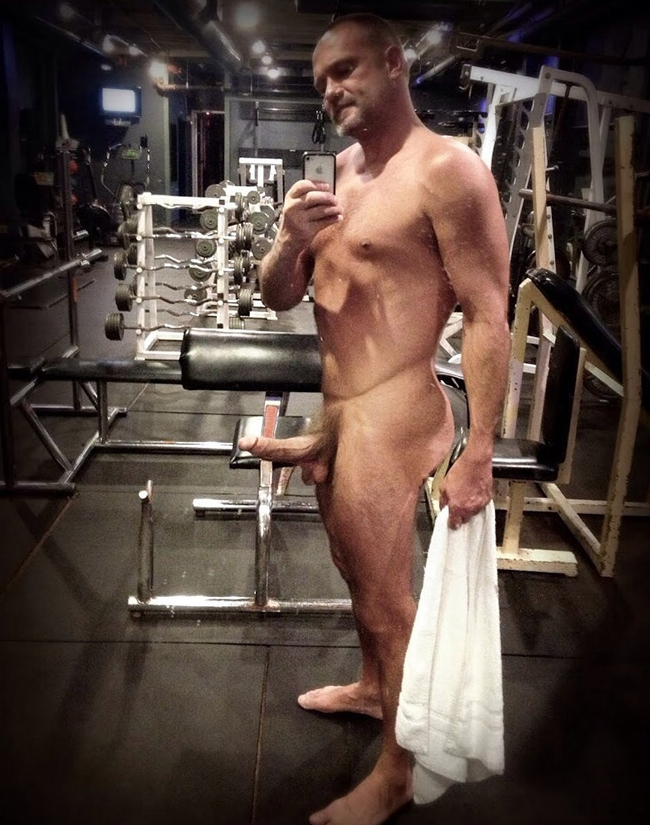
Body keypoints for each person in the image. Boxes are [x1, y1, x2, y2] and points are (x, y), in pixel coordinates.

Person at [238, 12, 511, 825]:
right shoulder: (331, 174)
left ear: (395, 63)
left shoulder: (447, 172)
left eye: (346, 69)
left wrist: (481, 449)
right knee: (357, 575)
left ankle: (397, 771)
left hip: (395, 413)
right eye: (320, 80)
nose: (331, 90)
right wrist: (289, 238)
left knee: (389, 604)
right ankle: (370, 688)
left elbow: (488, 314)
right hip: (340, 410)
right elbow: (278, 294)